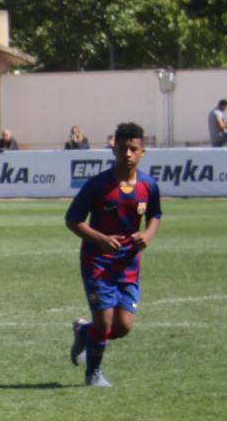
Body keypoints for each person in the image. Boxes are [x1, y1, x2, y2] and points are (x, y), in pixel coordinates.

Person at [63, 121, 160, 388]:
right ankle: (93, 374)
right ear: (113, 149)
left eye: (133, 149)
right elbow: (72, 219)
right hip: (97, 261)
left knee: (123, 327)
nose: (127, 154)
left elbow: (155, 215)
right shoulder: (98, 185)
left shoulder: (148, 185)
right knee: (104, 321)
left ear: (142, 152)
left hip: (129, 264)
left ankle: (84, 332)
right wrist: (101, 239)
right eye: (122, 148)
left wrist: (148, 235)